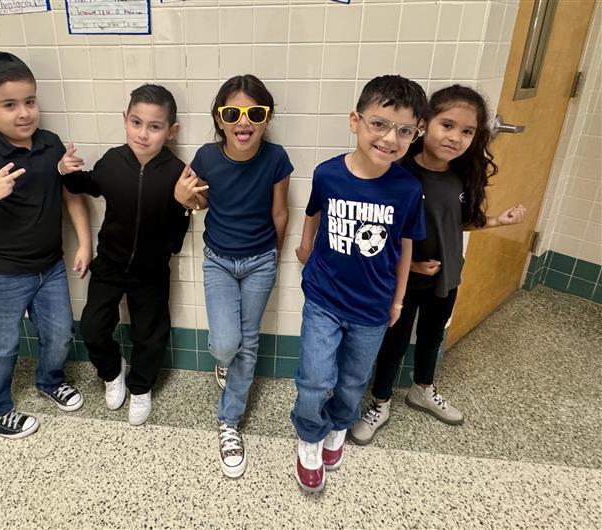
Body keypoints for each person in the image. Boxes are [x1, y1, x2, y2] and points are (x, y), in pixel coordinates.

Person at [350, 85, 526, 445]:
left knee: (432, 337)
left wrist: (497, 221)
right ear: (425, 124)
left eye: (467, 131)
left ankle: (422, 389)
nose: (456, 137)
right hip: (403, 280)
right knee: (395, 341)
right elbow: (379, 231)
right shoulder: (398, 172)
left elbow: (459, 220)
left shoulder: (463, 173)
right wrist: (410, 266)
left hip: (447, 277)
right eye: (447, 125)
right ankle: (380, 402)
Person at [291, 75, 428, 493]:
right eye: (380, 124)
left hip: (373, 306)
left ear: (414, 134)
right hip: (324, 298)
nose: (390, 138)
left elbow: (404, 247)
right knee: (315, 377)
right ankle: (309, 436)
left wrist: (399, 302)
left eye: (405, 131)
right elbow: (314, 211)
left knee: (352, 379)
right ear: (355, 121)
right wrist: (305, 244)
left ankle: (339, 426)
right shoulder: (328, 173)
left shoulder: (407, 188)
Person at [0, 52, 92, 439]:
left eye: (29, 101)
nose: (24, 113)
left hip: (49, 266)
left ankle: (49, 381)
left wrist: (84, 242)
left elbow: (69, 196)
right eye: (9, 105)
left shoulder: (49, 145)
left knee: (60, 332)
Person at [177, 75, 292, 478]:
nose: (244, 122)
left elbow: (280, 212)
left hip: (261, 261)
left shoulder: (276, 158)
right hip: (219, 261)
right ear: (220, 119)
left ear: (266, 118)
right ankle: (223, 361)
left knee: (248, 342)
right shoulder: (206, 157)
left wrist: (274, 256)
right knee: (226, 344)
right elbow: (202, 201)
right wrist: (184, 199)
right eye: (233, 113)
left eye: (255, 113)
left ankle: (229, 423)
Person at [58, 84, 190, 426]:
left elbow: (178, 231)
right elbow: (86, 185)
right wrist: (65, 171)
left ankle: (141, 386)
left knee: (150, 333)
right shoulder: (113, 161)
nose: (143, 134)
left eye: (154, 126)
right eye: (136, 122)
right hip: (111, 263)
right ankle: (112, 371)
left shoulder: (177, 172)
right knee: (92, 326)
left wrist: (181, 204)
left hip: (152, 269)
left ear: (170, 131)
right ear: (125, 120)